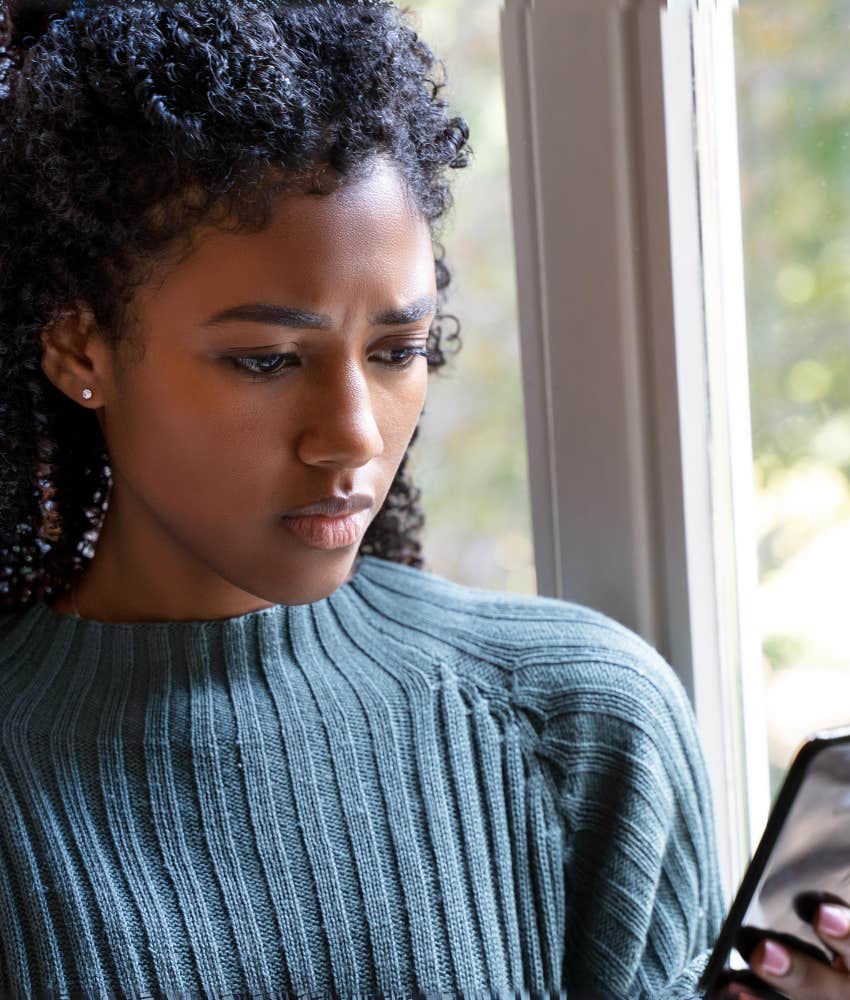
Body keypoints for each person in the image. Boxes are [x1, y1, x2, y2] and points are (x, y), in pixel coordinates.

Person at [0, 0, 725, 996]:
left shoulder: (580, 727)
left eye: (397, 352)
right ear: (80, 347)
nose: (355, 432)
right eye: (267, 358)